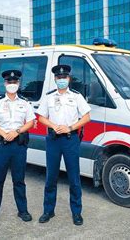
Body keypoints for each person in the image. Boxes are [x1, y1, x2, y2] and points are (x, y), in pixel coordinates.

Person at [36, 64, 91, 226]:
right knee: (51, 177)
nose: (61, 80)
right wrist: (53, 126)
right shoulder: (49, 96)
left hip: (70, 139)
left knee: (74, 177)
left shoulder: (76, 96)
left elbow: (87, 117)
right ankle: (48, 210)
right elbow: (40, 117)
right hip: (53, 139)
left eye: (64, 77)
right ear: (55, 79)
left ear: (69, 79)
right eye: (59, 78)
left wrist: (70, 127)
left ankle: (76, 212)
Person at [0, 69, 35, 226]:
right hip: (1, 145)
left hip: (18, 146)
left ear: (18, 84)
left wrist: (17, 132)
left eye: (15, 82)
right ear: (5, 84)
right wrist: (4, 133)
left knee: (19, 180)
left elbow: (31, 122)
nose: (12, 84)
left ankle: (23, 211)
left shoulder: (25, 103)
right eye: (9, 82)